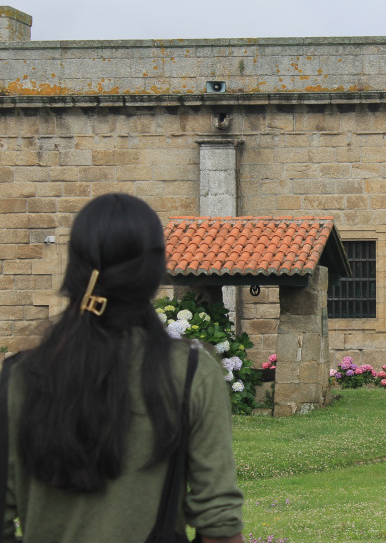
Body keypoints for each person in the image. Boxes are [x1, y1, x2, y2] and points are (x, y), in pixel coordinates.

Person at [1, 193, 243, 542]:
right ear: (156, 270)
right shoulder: (190, 372)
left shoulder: (19, 376)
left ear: (75, 268)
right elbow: (219, 526)